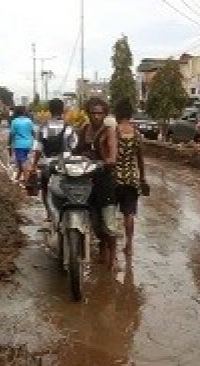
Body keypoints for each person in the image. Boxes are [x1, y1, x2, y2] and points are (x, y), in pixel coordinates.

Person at [76, 97, 119, 269]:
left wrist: (108, 161)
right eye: (93, 113)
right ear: (88, 113)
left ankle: (113, 256)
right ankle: (101, 245)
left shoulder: (109, 131)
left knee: (108, 222)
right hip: (86, 179)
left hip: (105, 179)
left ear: (105, 114)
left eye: (100, 113)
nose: (96, 116)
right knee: (94, 220)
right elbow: (75, 150)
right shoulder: (84, 130)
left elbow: (113, 153)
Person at [26, 98, 77, 220]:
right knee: (69, 187)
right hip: (66, 164)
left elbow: (37, 148)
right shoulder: (69, 128)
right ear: (63, 110)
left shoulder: (43, 128)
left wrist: (33, 166)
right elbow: (75, 146)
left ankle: (49, 213)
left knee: (45, 188)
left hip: (48, 164)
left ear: (49, 110)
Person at [113, 99, 147, 257]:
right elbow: (140, 159)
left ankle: (110, 249)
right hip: (132, 179)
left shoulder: (114, 132)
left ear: (117, 113)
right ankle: (129, 245)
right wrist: (143, 179)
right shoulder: (137, 133)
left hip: (115, 178)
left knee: (111, 213)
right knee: (129, 213)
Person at [8, 106, 35, 183]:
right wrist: (35, 142)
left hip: (19, 144)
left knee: (22, 161)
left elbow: (12, 134)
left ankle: (27, 180)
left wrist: (9, 144)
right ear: (24, 112)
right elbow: (33, 132)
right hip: (28, 144)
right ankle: (17, 178)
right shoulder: (29, 121)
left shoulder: (15, 121)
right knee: (20, 161)